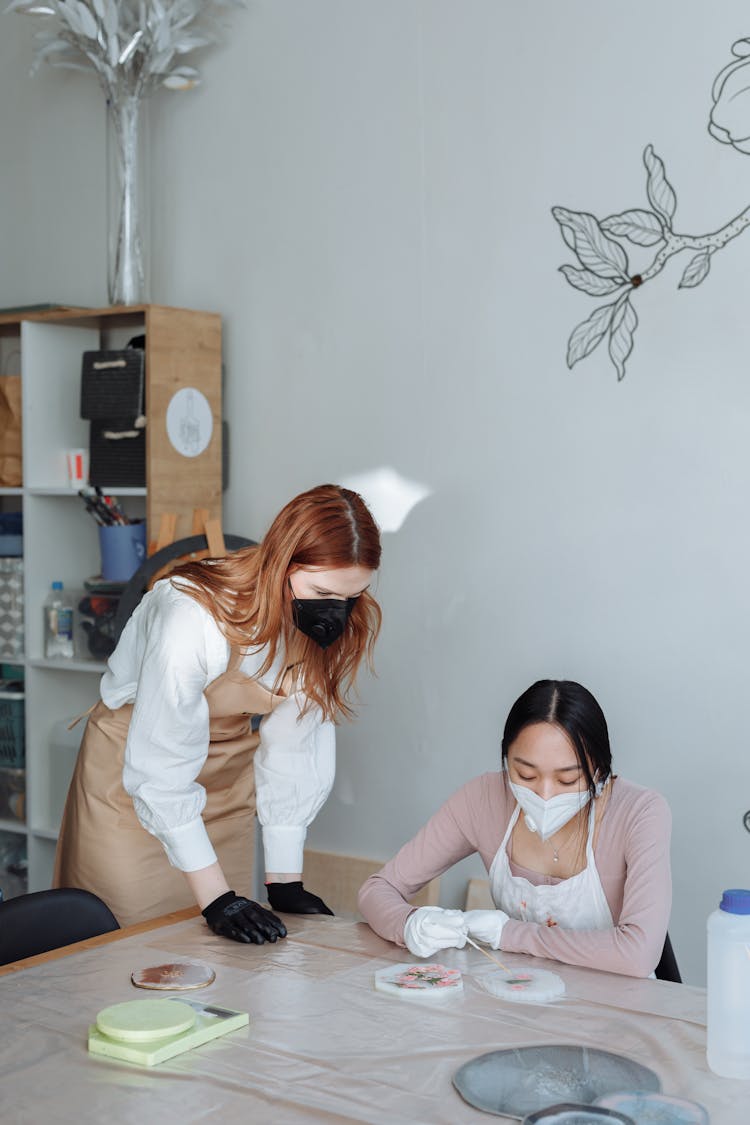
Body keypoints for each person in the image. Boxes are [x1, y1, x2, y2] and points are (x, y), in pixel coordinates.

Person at [54, 484, 382, 943]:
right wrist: (215, 897)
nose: (337, 612)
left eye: (352, 596)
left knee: (218, 962)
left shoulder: (327, 619)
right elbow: (161, 772)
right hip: (136, 778)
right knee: (127, 949)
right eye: (323, 591)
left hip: (224, 783)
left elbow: (295, 744)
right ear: (281, 564)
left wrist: (283, 881)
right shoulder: (191, 612)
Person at [358, 679, 671, 978]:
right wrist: (410, 924)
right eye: (525, 775)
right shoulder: (482, 799)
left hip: (618, 1012)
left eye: (567, 780)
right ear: (506, 758)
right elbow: (378, 889)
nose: (545, 795)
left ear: (600, 768)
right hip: (520, 1000)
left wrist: (507, 933)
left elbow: (637, 954)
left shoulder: (639, 812)